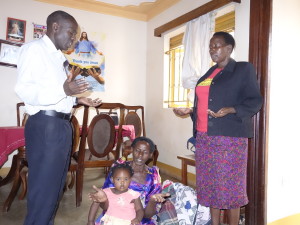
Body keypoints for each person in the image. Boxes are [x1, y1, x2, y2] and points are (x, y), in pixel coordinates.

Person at [14, 10, 102, 225]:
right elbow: (24, 90)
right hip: (46, 126)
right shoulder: (33, 50)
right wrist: (65, 90)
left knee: (55, 187)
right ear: (55, 27)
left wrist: (78, 100)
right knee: (43, 190)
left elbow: (59, 93)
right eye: (71, 33)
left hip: (62, 126)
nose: (73, 39)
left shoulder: (59, 58)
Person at [173, 32, 263, 225]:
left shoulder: (242, 69)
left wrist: (232, 109)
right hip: (204, 137)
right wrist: (190, 110)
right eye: (211, 46)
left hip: (229, 139)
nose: (212, 49)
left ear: (229, 49)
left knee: (230, 189)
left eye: (217, 46)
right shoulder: (208, 73)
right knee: (210, 187)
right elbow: (204, 104)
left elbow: (255, 100)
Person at [88, 137, 170, 224]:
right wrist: (103, 200)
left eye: (145, 152)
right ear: (132, 150)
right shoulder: (118, 169)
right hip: (113, 216)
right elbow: (107, 207)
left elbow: (147, 215)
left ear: (150, 154)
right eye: (137, 150)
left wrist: (152, 202)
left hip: (138, 220)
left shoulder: (153, 177)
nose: (140, 155)